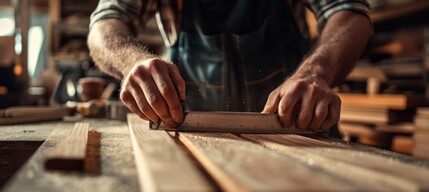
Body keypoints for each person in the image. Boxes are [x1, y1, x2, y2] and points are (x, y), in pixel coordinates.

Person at [88, 0, 372, 134]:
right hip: (192, 140)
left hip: (300, 133)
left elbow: (349, 13)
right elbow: (104, 25)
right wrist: (132, 62)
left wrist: (315, 73)